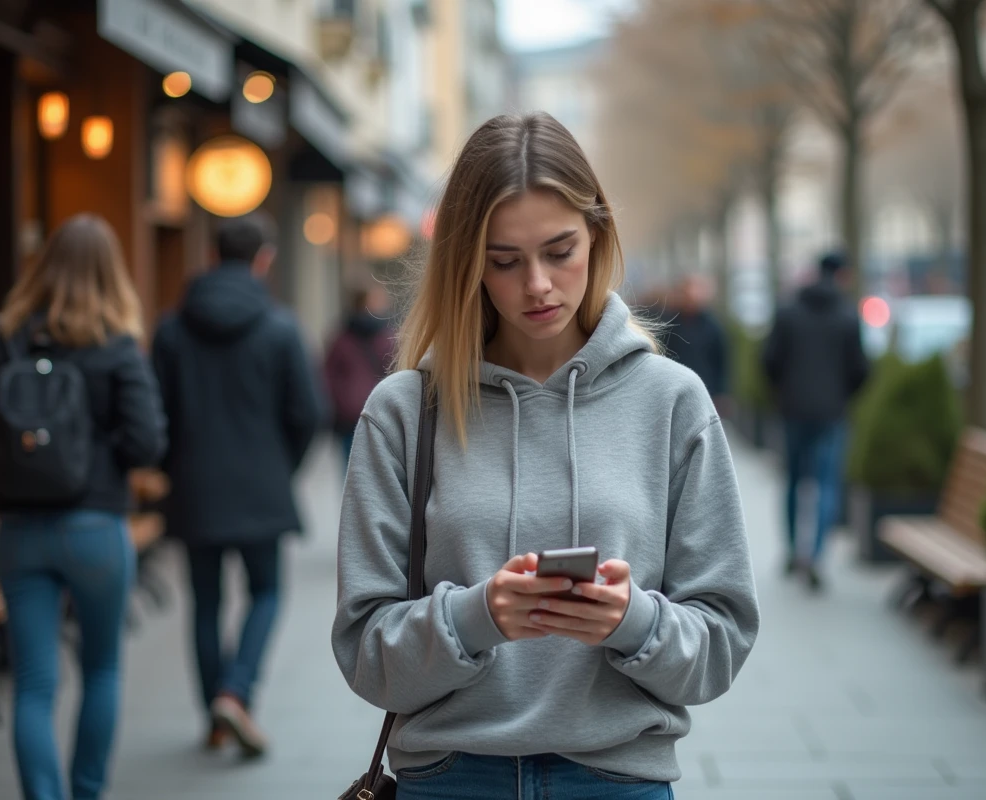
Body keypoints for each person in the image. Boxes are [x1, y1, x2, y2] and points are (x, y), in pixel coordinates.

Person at [332, 112, 760, 797]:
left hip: (617, 780)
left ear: (598, 235)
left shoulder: (672, 402)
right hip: (449, 781)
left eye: (559, 250)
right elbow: (364, 653)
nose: (537, 285)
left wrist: (631, 621)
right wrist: (480, 617)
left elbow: (720, 646)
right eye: (504, 261)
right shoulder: (404, 412)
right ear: (469, 265)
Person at [0, 214, 167, 800]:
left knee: (34, 685)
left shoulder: (3, 336)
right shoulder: (117, 342)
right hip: (98, 528)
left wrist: (22, 463)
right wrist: (100, 459)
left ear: (42, 266)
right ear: (111, 273)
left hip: (21, 530)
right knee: (101, 670)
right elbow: (148, 441)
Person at [151, 212, 327, 758]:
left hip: (195, 486)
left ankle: (217, 714)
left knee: (204, 603)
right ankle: (237, 691)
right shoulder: (279, 327)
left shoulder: (172, 330)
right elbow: (310, 412)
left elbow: (154, 414)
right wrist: (282, 466)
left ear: (211, 257)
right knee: (267, 592)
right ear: (264, 259)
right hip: (260, 486)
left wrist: (173, 466)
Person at [762, 252, 869, 591]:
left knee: (794, 481)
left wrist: (784, 390)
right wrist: (842, 396)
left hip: (792, 410)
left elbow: (769, 360)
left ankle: (794, 551)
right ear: (842, 275)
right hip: (831, 413)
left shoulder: (789, 310)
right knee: (825, 485)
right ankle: (818, 554)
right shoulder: (847, 315)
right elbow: (861, 369)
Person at [324, 281, 396, 466]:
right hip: (376, 417)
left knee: (352, 473)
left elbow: (328, 378)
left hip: (351, 418)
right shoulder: (387, 338)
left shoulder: (340, 338)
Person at [663, 274, 730, 413]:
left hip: (706, 389)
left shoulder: (713, 326)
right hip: (675, 389)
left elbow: (721, 361)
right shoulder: (670, 324)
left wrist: (721, 393)